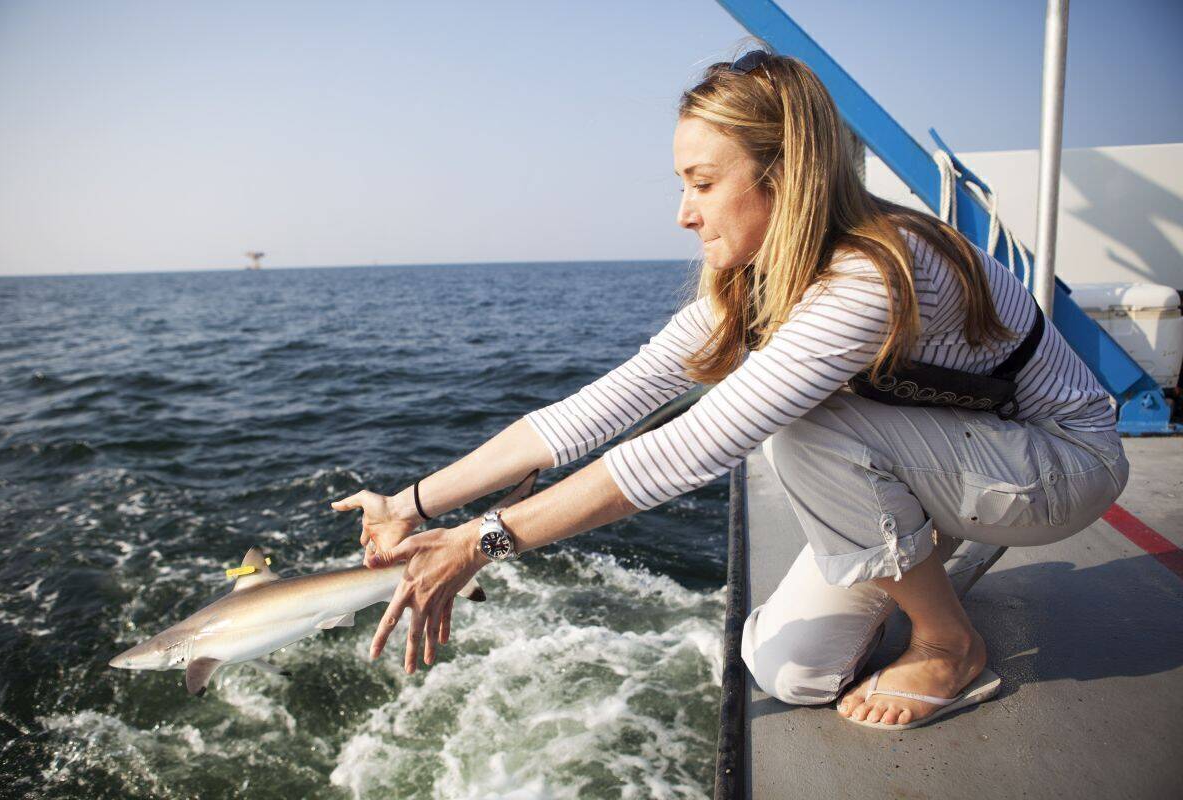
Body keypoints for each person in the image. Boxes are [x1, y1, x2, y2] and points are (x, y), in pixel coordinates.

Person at [331, 48, 1128, 731]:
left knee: (808, 425)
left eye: (703, 183)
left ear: (783, 176)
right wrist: (413, 503)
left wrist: (481, 542)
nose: (683, 212)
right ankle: (939, 539)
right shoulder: (756, 279)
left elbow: (689, 449)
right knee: (790, 674)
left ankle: (951, 643)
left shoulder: (874, 273)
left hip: (1062, 464)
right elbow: (605, 404)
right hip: (950, 460)